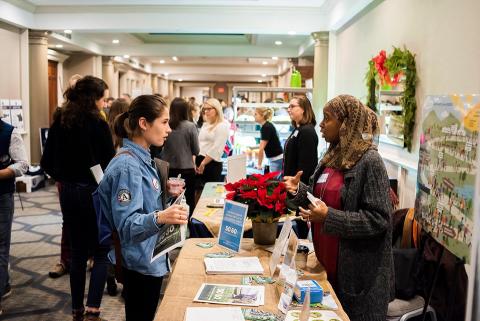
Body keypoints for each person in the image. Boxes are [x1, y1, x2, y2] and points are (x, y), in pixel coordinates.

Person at [284, 95, 394, 321]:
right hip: (327, 269)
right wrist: (298, 191)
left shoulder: (369, 161)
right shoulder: (330, 157)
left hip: (358, 279)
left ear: (347, 123)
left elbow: (379, 219)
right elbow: (320, 198)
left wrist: (328, 217)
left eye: (328, 118)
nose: (321, 124)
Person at [97, 95, 188, 321]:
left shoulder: (143, 158)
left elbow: (146, 206)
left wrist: (167, 202)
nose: (169, 129)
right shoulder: (127, 165)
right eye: (164, 122)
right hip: (139, 261)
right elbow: (127, 226)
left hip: (150, 257)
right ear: (144, 123)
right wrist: (162, 216)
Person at [41, 75, 115, 321]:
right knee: (102, 250)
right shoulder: (97, 123)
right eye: (103, 99)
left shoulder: (60, 120)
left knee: (77, 252)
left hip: (68, 192)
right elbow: (108, 164)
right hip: (93, 192)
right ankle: (93, 309)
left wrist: (66, 177)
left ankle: (76, 310)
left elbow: (46, 162)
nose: (105, 104)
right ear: (93, 98)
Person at [0, 118, 28, 315]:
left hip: (2, 196)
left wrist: (2, 173)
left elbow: (23, 164)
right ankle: (5, 282)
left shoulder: (9, 132)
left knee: (1, 247)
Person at [160, 97, 199, 217]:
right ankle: (188, 229)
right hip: (187, 169)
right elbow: (196, 150)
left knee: (170, 202)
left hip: (168, 169)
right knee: (188, 202)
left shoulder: (166, 126)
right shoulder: (190, 126)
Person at [283, 95, 318, 184]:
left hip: (298, 188)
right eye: (288, 107)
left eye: (292, 106)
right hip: (291, 184)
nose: (288, 109)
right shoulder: (299, 129)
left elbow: (306, 167)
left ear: (303, 109)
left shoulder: (307, 131)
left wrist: (298, 187)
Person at [196, 98, 229, 183]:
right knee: (199, 193)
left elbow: (217, 148)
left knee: (209, 194)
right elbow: (200, 143)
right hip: (200, 160)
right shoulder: (205, 124)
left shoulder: (222, 125)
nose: (206, 111)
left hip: (211, 163)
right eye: (205, 109)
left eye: (209, 109)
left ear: (217, 110)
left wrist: (203, 163)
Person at [254, 107, 283, 173]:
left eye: (256, 114)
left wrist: (259, 164)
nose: (254, 116)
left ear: (262, 116)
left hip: (276, 159)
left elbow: (261, 148)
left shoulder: (266, 127)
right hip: (276, 159)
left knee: (275, 182)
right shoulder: (267, 126)